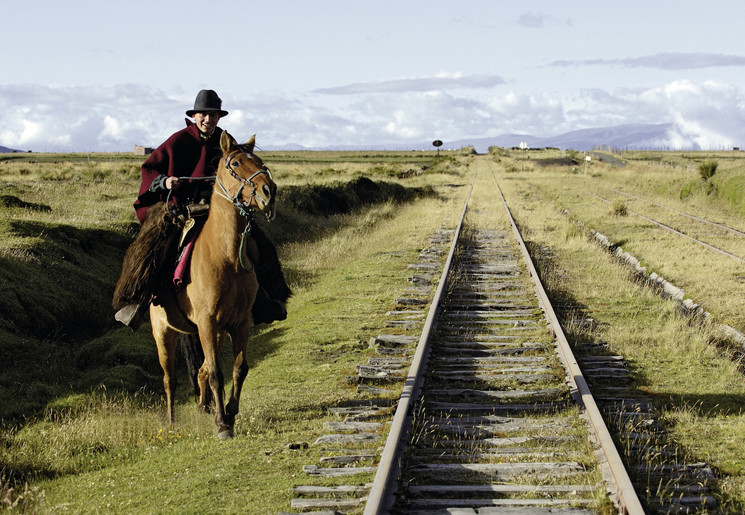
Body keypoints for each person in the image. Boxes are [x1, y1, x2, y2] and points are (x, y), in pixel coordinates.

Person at [113, 89, 290, 329]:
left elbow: (239, 168)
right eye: (204, 115)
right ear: (194, 115)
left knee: (259, 245)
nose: (208, 120)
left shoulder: (225, 141)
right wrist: (165, 182)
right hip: (180, 206)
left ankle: (265, 302)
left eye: (213, 115)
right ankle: (139, 301)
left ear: (219, 118)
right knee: (158, 246)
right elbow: (150, 169)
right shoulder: (178, 140)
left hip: (219, 206)